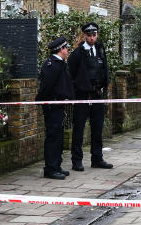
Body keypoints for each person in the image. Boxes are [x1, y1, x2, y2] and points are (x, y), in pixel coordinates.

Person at [68, 22, 113, 171]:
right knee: (79, 130)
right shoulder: (77, 53)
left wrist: (104, 86)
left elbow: (105, 68)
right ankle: (77, 160)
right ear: (85, 36)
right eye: (89, 35)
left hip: (97, 95)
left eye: (94, 35)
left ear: (97, 35)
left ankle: (97, 158)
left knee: (97, 128)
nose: (92, 38)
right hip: (83, 96)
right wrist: (76, 93)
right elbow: (71, 74)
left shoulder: (100, 49)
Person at [37, 36, 74, 179]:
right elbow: (46, 87)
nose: (67, 51)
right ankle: (50, 169)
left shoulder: (60, 63)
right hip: (52, 106)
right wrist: (48, 102)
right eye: (66, 48)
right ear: (61, 49)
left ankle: (57, 165)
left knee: (58, 136)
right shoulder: (51, 65)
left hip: (59, 105)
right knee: (52, 137)